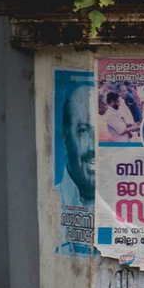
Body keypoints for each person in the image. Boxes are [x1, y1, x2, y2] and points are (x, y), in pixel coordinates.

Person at [56, 77, 96, 207]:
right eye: (84, 131)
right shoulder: (50, 201)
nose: (94, 146)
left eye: (103, 134)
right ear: (65, 138)